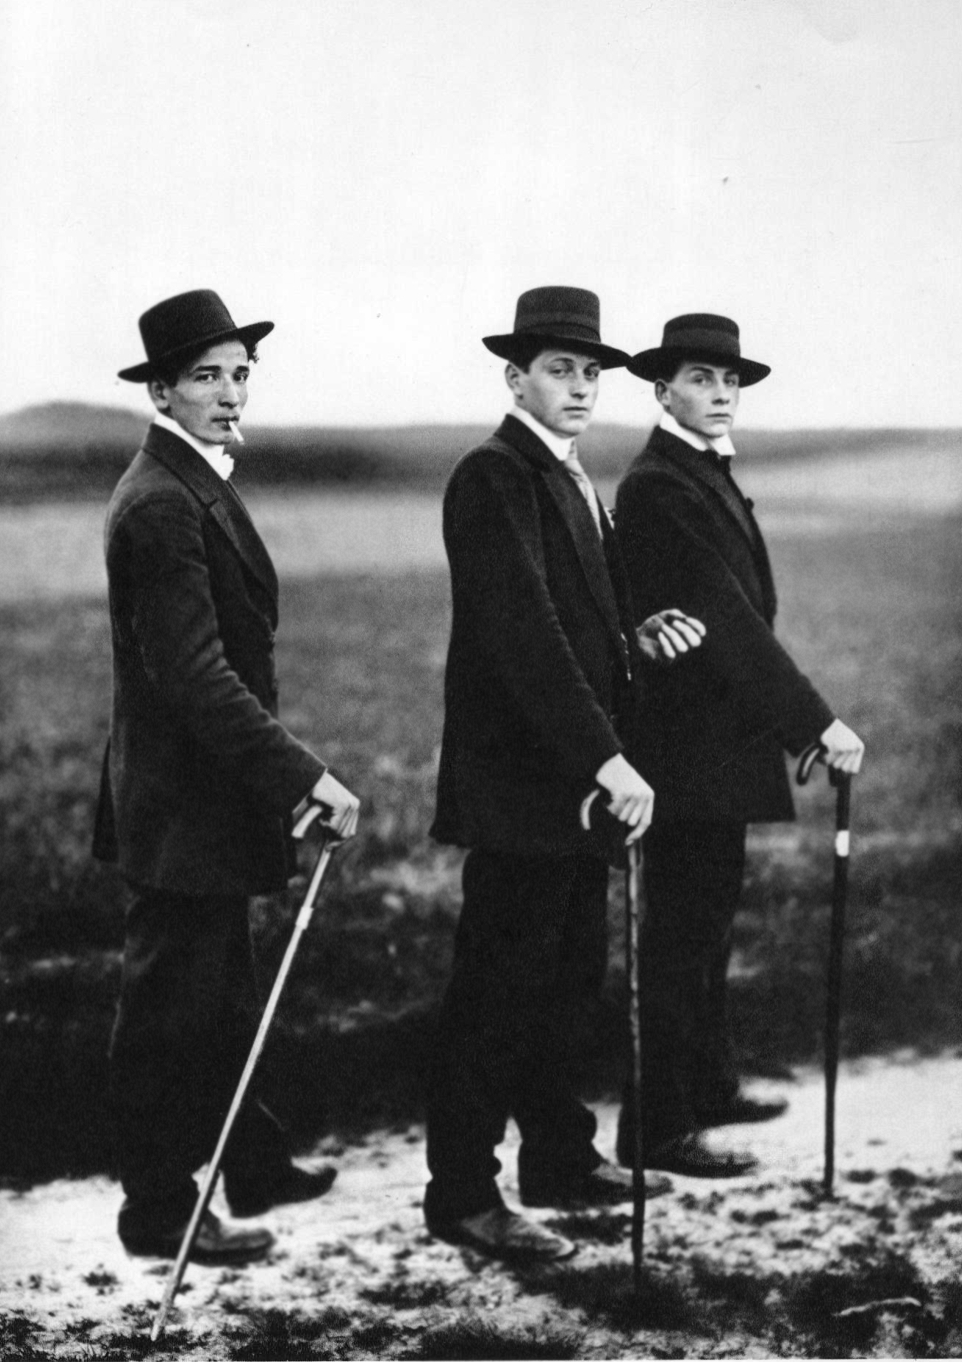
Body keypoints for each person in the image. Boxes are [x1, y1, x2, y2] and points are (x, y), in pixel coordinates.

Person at [425, 286, 706, 1262]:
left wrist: (635, 635)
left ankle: (558, 1156)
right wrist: (607, 756)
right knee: (497, 992)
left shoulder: (573, 477)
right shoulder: (492, 476)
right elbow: (525, 638)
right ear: (516, 377)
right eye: (559, 368)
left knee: (566, 985)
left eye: (590, 370)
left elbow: (580, 620)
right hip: (522, 791)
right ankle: (462, 1193)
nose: (581, 385)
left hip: (572, 791)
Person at [93, 289, 360, 1263]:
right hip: (179, 805)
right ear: (161, 387)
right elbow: (196, 674)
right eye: (207, 375)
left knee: (222, 990)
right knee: (169, 1010)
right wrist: (304, 777)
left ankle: (250, 1162)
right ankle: (156, 1210)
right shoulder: (161, 500)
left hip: (205, 798)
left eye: (241, 373)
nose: (230, 391)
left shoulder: (189, 479)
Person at [613, 313, 865, 1178]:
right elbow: (727, 621)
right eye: (701, 379)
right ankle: (658, 1127)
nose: (721, 394)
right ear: (662, 390)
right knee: (681, 934)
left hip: (719, 745)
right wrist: (814, 723)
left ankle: (709, 1086)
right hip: (684, 750)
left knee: (708, 922)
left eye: (731, 382)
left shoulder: (697, 473)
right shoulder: (659, 485)